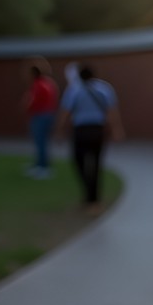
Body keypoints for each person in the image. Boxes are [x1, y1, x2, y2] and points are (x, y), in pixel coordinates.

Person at [57, 64, 124, 213]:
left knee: (79, 161)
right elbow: (112, 111)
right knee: (96, 165)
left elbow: (65, 112)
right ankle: (92, 198)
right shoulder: (104, 89)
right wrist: (117, 129)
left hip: (81, 131)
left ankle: (91, 198)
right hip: (97, 130)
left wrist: (60, 130)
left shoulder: (74, 90)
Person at [22, 60, 59, 179]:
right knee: (42, 142)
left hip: (40, 116)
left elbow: (32, 101)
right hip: (48, 114)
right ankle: (40, 164)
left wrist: (26, 107)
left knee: (40, 142)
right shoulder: (48, 83)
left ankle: (43, 168)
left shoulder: (38, 85)